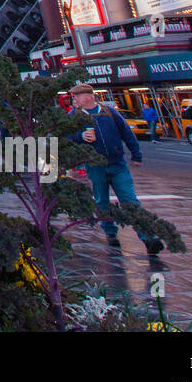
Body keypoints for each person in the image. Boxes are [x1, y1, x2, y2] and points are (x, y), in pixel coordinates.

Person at [66, 83, 164, 254]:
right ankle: (110, 231)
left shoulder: (109, 112)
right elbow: (65, 136)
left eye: (77, 96)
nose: (74, 99)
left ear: (89, 96)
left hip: (117, 164)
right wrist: (80, 136)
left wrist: (136, 154)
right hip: (95, 165)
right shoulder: (74, 116)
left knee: (130, 201)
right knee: (101, 200)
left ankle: (148, 238)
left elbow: (127, 133)